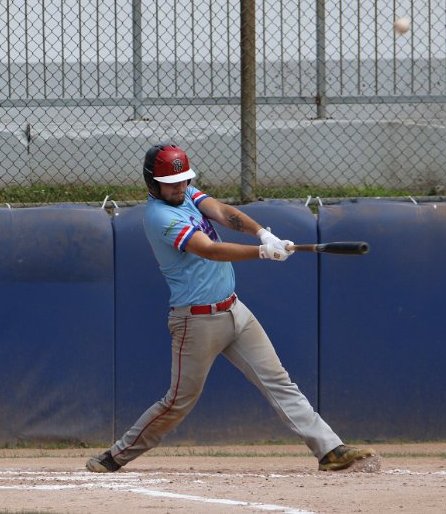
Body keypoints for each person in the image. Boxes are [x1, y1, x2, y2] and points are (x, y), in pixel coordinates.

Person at [86, 144, 376, 474]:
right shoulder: (160, 217)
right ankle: (116, 455)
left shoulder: (186, 193)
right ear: (153, 184)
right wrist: (262, 253)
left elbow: (223, 212)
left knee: (278, 381)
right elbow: (209, 249)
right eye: (171, 183)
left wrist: (262, 234)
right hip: (196, 322)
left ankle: (330, 450)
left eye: (183, 180)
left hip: (234, 310)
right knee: (178, 402)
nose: (180, 187)